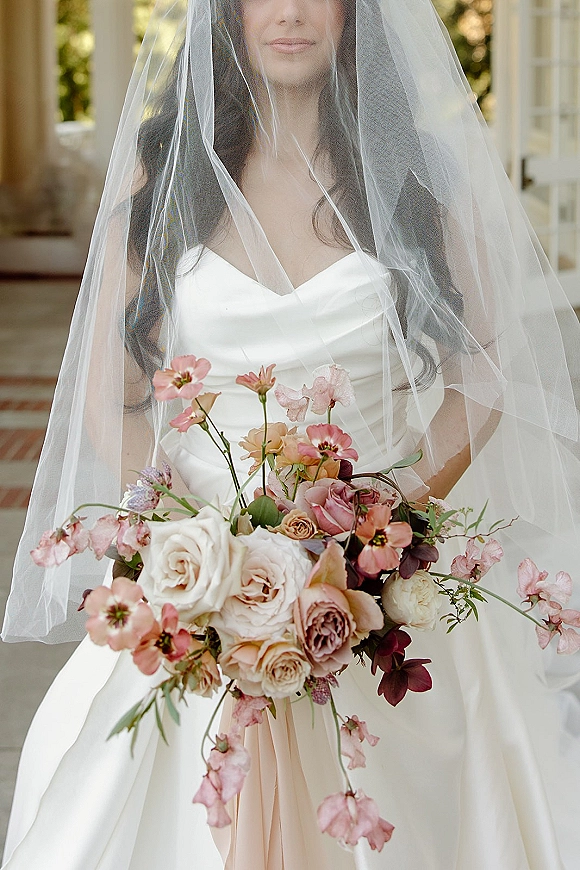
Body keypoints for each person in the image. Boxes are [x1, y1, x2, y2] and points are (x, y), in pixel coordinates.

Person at [2, 0, 580, 867]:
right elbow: (107, 388)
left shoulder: (419, 181)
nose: (292, 12)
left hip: (378, 579)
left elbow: (484, 375)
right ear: (226, 13)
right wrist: (178, 545)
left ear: (359, 14)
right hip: (198, 578)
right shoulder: (165, 181)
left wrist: (386, 522)